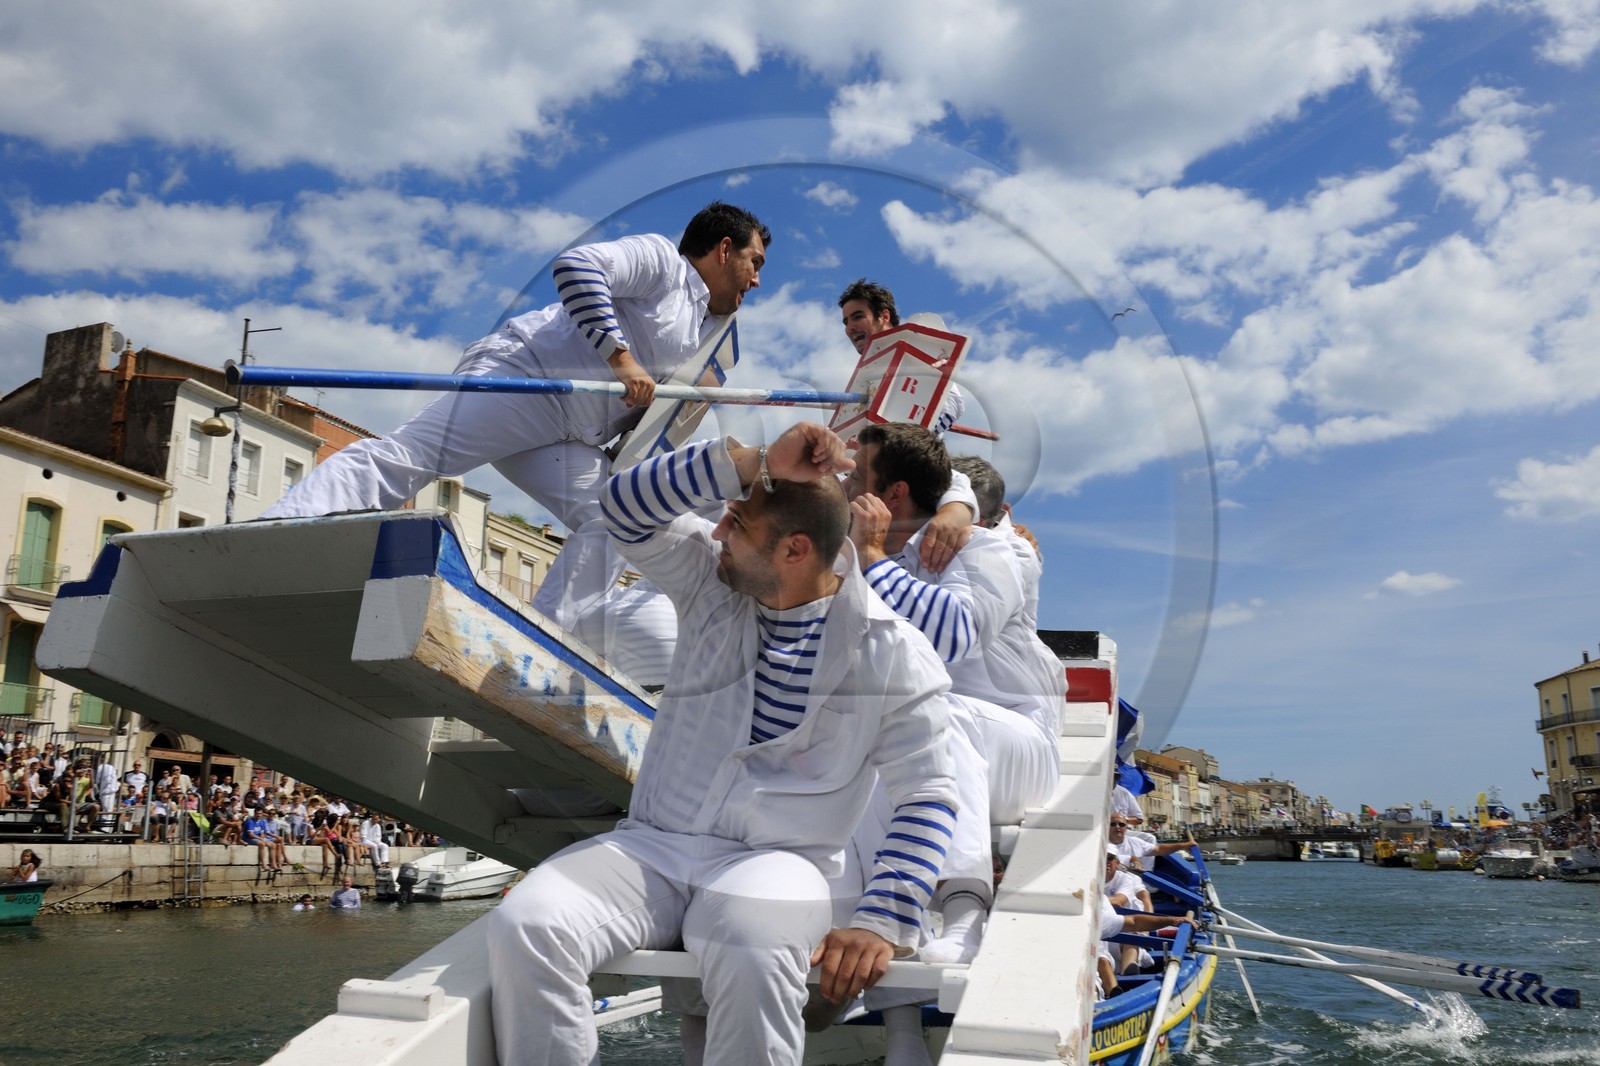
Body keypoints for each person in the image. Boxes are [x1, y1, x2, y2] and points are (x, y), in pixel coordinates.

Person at [487, 422, 959, 1066]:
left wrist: (881, 918)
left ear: (794, 550)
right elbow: (621, 507)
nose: (716, 531)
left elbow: (929, 791)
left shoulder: (892, 650)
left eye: (735, 522)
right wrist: (752, 462)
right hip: (655, 845)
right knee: (529, 925)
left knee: (752, 949)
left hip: (781, 860)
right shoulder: (712, 582)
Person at [262, 201, 770, 632]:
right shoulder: (662, 261)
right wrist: (622, 360)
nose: (757, 279)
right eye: (755, 261)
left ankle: (543, 639)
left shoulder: (705, 329)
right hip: (525, 380)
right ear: (724, 249)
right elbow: (576, 267)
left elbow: (656, 422)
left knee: (617, 517)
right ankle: (273, 536)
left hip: (571, 432)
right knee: (409, 458)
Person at [843, 421, 1065, 965]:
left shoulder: (997, 552)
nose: (847, 484)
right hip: (937, 745)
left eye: (857, 477)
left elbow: (955, 634)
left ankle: (966, 913)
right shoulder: (874, 555)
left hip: (1018, 748)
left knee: (935, 714)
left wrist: (871, 560)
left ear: (894, 494)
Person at [1108, 816, 1197, 873]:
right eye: (1113, 824)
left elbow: (1159, 849)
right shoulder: (1101, 845)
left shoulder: (1135, 842)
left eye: (1121, 824)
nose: (1117, 827)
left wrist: (1184, 845)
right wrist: (1133, 861)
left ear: (1126, 827)